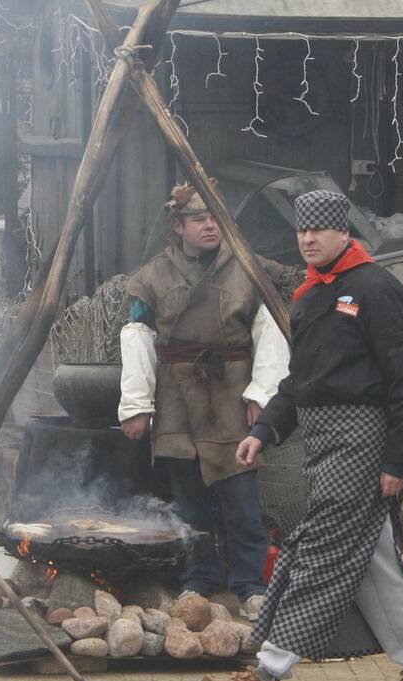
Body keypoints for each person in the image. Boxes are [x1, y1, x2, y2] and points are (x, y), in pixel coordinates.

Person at [200, 190, 403, 681]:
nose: (308, 239)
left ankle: (264, 677)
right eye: (301, 231)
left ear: (343, 233)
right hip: (323, 441)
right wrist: (266, 429)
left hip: (363, 441)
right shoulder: (311, 296)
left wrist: (398, 461)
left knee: (317, 553)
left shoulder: (378, 289)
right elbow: (302, 381)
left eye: (318, 231)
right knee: (377, 559)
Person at [118, 181, 289, 619]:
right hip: (175, 396)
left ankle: (251, 586)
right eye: (199, 219)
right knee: (189, 501)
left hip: (231, 394)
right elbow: (138, 335)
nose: (210, 225)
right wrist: (137, 404)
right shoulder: (153, 276)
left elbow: (269, 331)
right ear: (178, 226)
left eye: (215, 218)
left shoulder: (248, 271)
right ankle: (199, 579)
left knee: (241, 502)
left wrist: (262, 395)